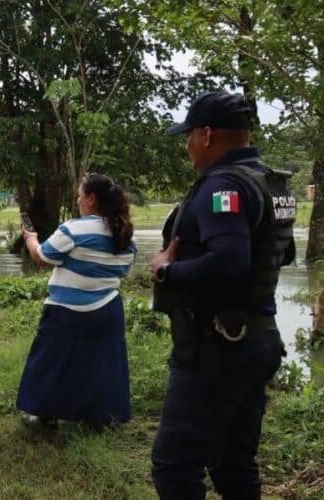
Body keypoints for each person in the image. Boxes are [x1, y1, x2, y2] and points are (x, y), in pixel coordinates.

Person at [149, 91, 294, 499]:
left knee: (175, 467)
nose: (187, 145)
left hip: (217, 350)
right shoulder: (269, 183)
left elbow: (230, 262)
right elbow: (277, 258)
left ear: (207, 134)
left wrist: (168, 269)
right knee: (232, 464)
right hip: (256, 339)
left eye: (189, 135)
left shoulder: (224, 187)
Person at [17, 173, 137, 431]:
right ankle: (104, 417)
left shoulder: (73, 229)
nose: (78, 200)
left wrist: (30, 239)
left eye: (80, 195)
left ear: (92, 199)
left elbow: (41, 258)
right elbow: (123, 271)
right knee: (102, 364)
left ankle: (43, 413)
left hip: (67, 311)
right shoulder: (127, 235)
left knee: (51, 363)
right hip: (108, 310)